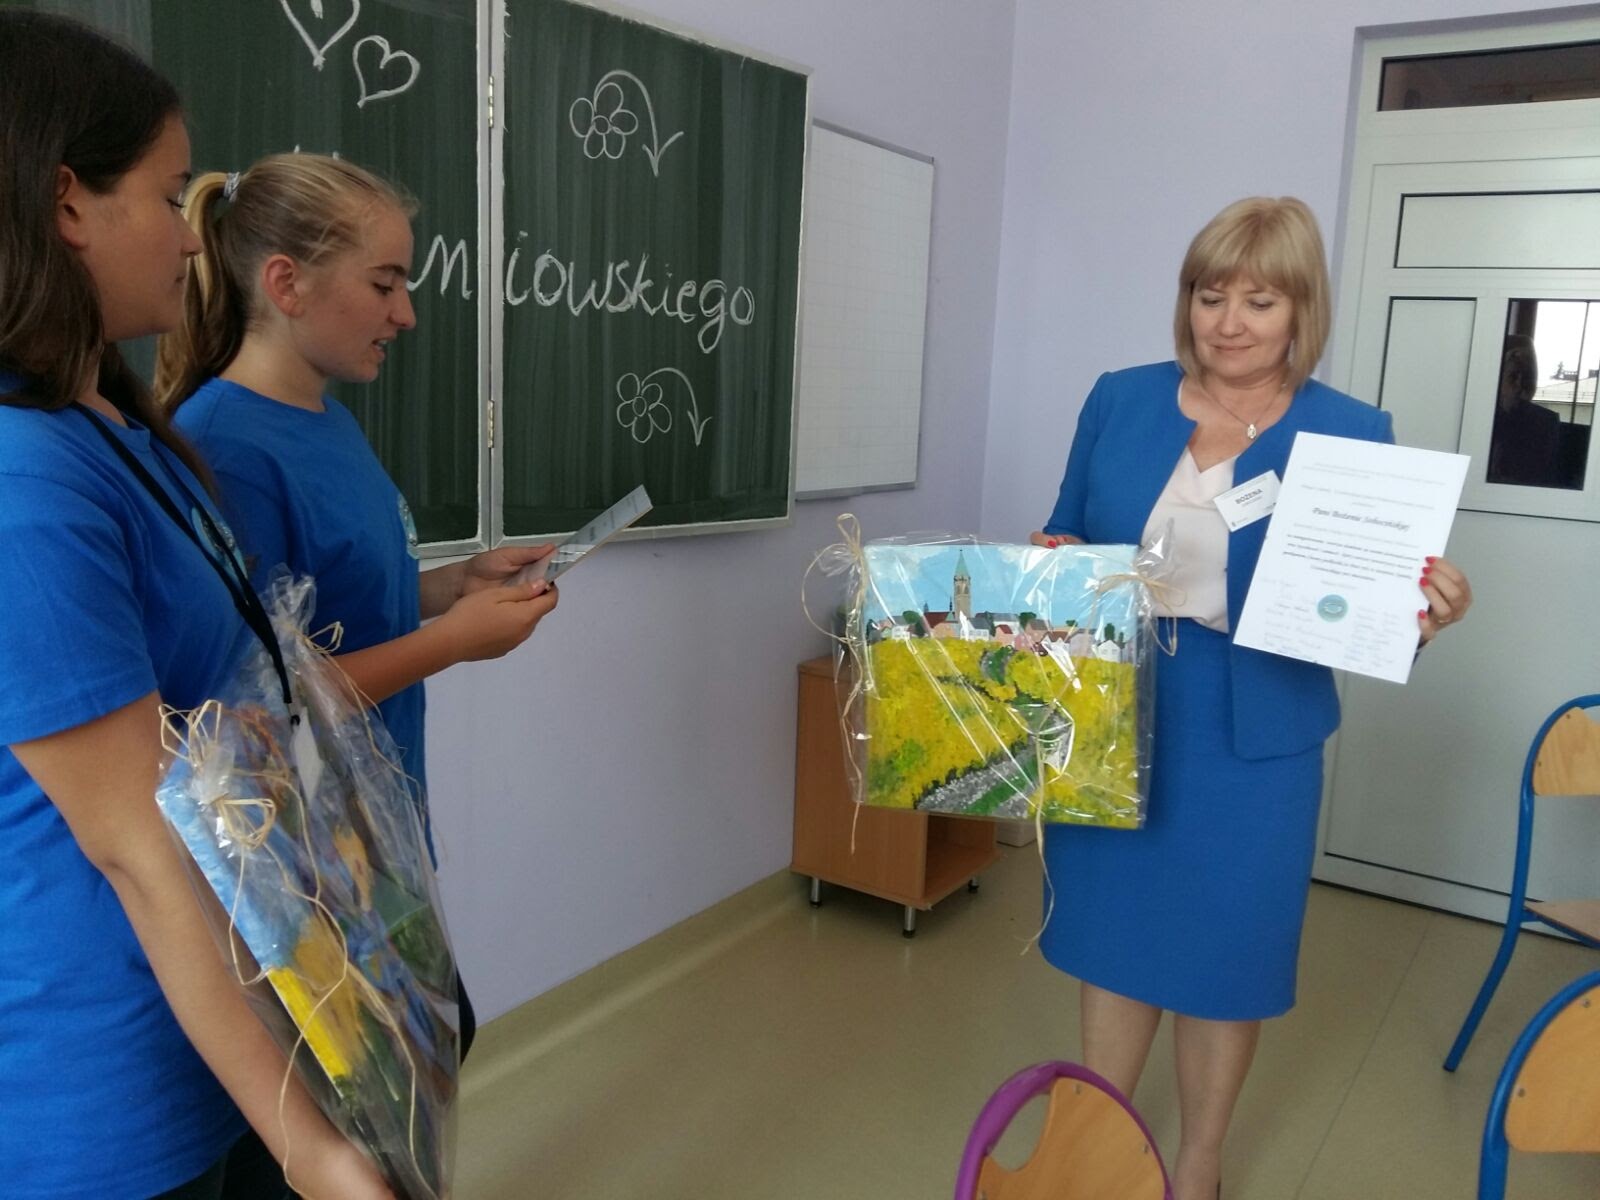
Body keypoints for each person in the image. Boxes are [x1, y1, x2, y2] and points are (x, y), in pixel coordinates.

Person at [0, 13, 392, 1199]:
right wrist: (312, 1149)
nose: (189, 235)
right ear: (68, 203)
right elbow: (136, 840)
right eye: (171, 198)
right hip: (113, 1084)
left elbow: (220, 697)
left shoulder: (113, 427)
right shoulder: (26, 484)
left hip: (228, 1014)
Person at [1029, 196, 1473, 1200]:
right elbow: (1064, 530)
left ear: (1301, 310)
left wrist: (1422, 614)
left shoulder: (1351, 432)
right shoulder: (1119, 399)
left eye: (1259, 302)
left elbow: (1368, 605)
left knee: (1226, 952)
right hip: (1114, 711)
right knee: (1114, 936)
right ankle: (1101, 1138)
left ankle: (1199, 1161)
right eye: (1209, 295)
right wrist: (1051, 559)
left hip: (1254, 734)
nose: (1227, 323)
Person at [154, 154, 560, 1061]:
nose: (405, 314)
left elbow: (330, 607)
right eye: (384, 284)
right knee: (392, 1087)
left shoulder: (328, 420)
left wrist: (451, 588)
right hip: (308, 857)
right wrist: (452, 643)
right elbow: (258, 705)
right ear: (286, 283)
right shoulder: (228, 450)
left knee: (438, 1057)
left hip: (382, 827)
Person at [1487, 332, 1564, 487]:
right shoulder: (1481, 416)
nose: (1519, 385)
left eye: (1527, 377)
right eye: (1513, 376)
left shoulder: (1543, 423)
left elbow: (1538, 480)